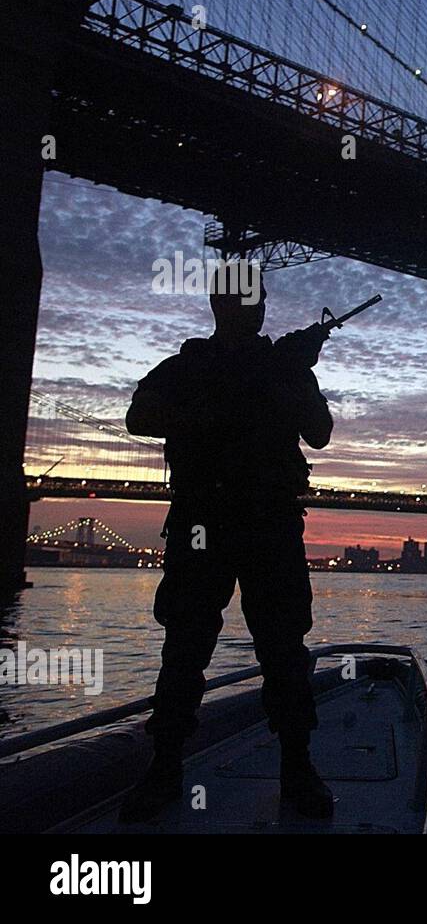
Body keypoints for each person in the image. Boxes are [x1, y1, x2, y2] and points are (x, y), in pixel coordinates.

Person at [119, 269, 335, 822]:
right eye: (247, 299)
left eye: (260, 300)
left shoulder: (283, 367)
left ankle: (298, 768)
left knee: (283, 648)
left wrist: (289, 373)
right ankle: (165, 768)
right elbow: (138, 417)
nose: (256, 309)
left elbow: (319, 432)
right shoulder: (188, 367)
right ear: (221, 305)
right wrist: (237, 390)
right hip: (207, 523)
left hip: (267, 523)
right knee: (186, 649)